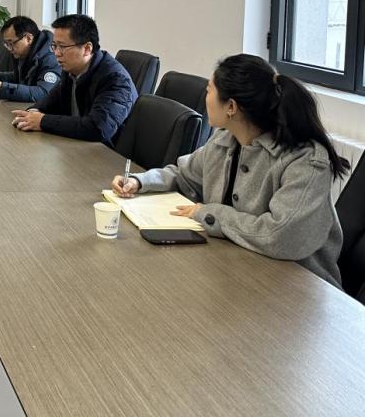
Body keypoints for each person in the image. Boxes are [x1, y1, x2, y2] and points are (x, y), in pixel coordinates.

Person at [111, 54, 349, 288]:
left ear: (231, 107)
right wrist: (140, 182)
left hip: (298, 287)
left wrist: (210, 213)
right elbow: (185, 175)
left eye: (209, 90)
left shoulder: (305, 160)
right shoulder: (226, 139)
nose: (205, 97)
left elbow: (280, 236)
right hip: (235, 269)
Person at [11, 14, 136, 145]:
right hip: (77, 145)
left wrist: (42, 121)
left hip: (105, 153)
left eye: (62, 47)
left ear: (87, 48)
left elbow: (97, 128)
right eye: (54, 46)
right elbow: (48, 103)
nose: (56, 53)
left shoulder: (115, 79)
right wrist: (32, 113)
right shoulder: (71, 70)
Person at [0, 16, 61, 102]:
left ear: (28, 38)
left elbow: (43, 93)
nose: (9, 49)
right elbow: (17, 77)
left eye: (11, 43)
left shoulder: (51, 58)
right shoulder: (28, 52)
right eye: (7, 44)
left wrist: (4, 88)